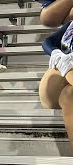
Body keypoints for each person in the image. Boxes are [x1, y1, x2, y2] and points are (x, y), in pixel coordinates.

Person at [39, 20, 73, 150]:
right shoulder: (71, 25)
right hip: (63, 72)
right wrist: (55, 53)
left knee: (68, 95)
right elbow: (47, 42)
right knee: (66, 65)